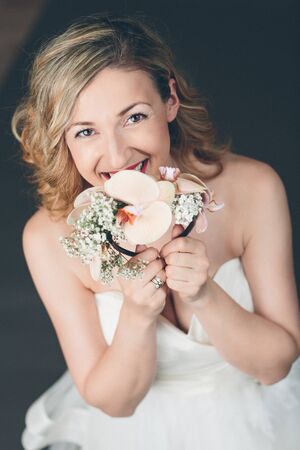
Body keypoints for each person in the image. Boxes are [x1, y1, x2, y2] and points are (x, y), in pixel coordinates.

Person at [12, 12, 300, 450]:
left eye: (134, 117)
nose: (117, 153)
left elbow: (276, 367)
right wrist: (137, 314)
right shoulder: (47, 238)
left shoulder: (255, 188)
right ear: (62, 139)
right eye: (86, 130)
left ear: (170, 99)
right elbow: (115, 404)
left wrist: (204, 294)